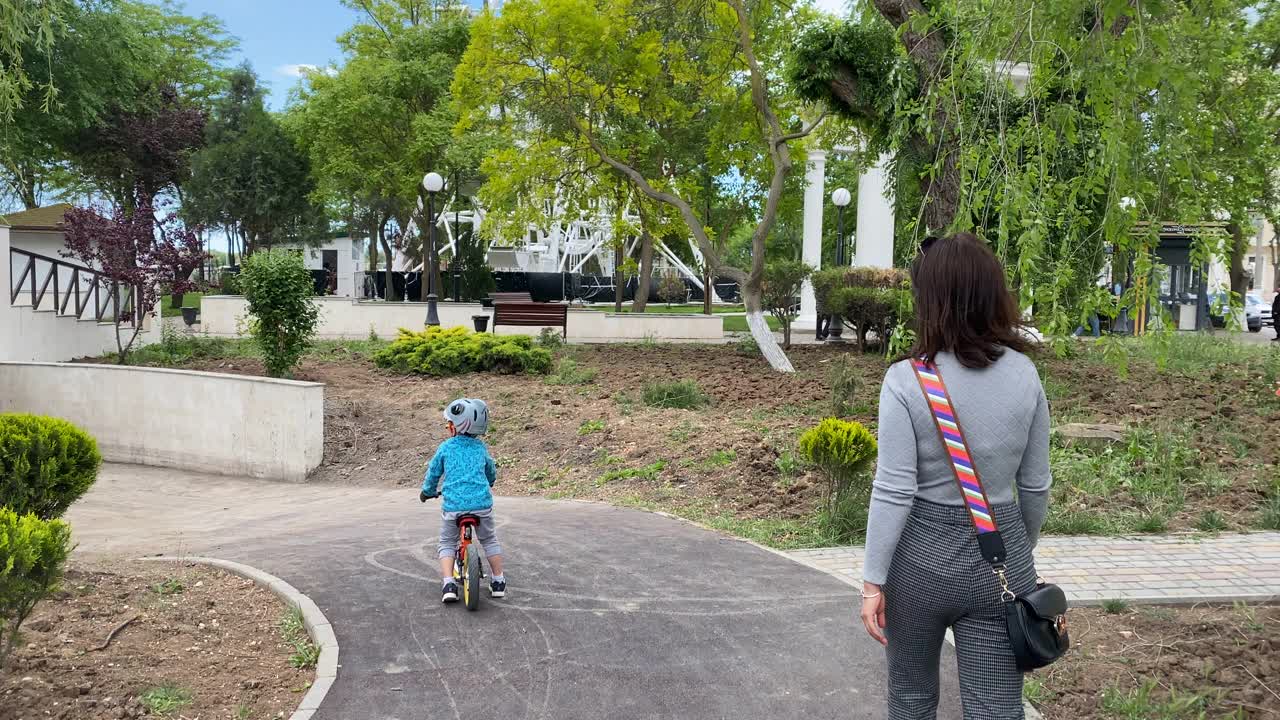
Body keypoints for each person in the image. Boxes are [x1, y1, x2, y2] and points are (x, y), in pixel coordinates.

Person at [860, 232, 1051, 719]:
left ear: (930, 301)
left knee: (911, 697)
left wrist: (873, 581)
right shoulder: (1025, 374)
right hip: (1000, 555)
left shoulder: (906, 380)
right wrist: (1017, 550)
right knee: (995, 707)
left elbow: (894, 489)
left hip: (919, 562)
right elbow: (1035, 484)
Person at [420, 398, 507, 603]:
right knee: (489, 540)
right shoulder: (480, 448)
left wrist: (427, 492)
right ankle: (498, 582)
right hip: (481, 505)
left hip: (454, 507)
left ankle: (449, 584)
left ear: (455, 426)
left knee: (447, 542)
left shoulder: (446, 448)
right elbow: (490, 470)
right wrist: (491, 481)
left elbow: (433, 473)